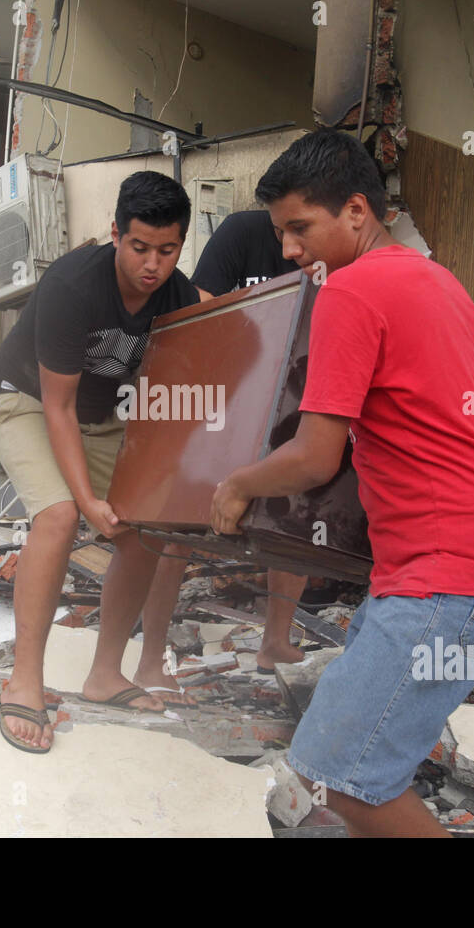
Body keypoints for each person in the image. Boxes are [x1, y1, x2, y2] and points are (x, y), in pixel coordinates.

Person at [210, 130, 474, 836]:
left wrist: (237, 482)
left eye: (300, 229)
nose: (290, 250)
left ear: (357, 211)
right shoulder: (440, 282)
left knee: (339, 774)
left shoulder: (351, 291)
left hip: (446, 580)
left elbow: (314, 454)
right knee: (349, 766)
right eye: (281, 233)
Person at [0, 170, 200, 753]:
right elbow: (58, 406)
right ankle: (25, 679)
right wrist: (87, 502)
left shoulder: (179, 295)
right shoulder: (73, 284)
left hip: (102, 416)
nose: (153, 264)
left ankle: (105, 674)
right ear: (115, 234)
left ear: (181, 245)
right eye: (139, 247)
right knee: (58, 517)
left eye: (167, 250)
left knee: (144, 526)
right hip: (22, 398)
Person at [133, 210, 310, 700]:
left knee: (294, 518)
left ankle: (275, 642)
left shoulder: (324, 244)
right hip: (227, 391)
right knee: (180, 525)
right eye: (282, 226)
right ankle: (150, 659)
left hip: (294, 395)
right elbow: (202, 308)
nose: (290, 241)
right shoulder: (241, 232)